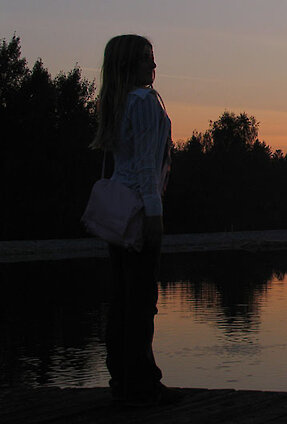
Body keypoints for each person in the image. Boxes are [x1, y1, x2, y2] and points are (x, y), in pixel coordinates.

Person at [90, 34, 180, 406]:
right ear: (128, 64)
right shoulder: (144, 101)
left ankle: (124, 379)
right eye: (146, 59)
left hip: (119, 211)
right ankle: (142, 383)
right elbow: (145, 164)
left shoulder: (118, 101)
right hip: (138, 210)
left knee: (123, 298)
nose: (153, 66)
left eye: (153, 58)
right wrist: (154, 214)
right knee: (141, 299)